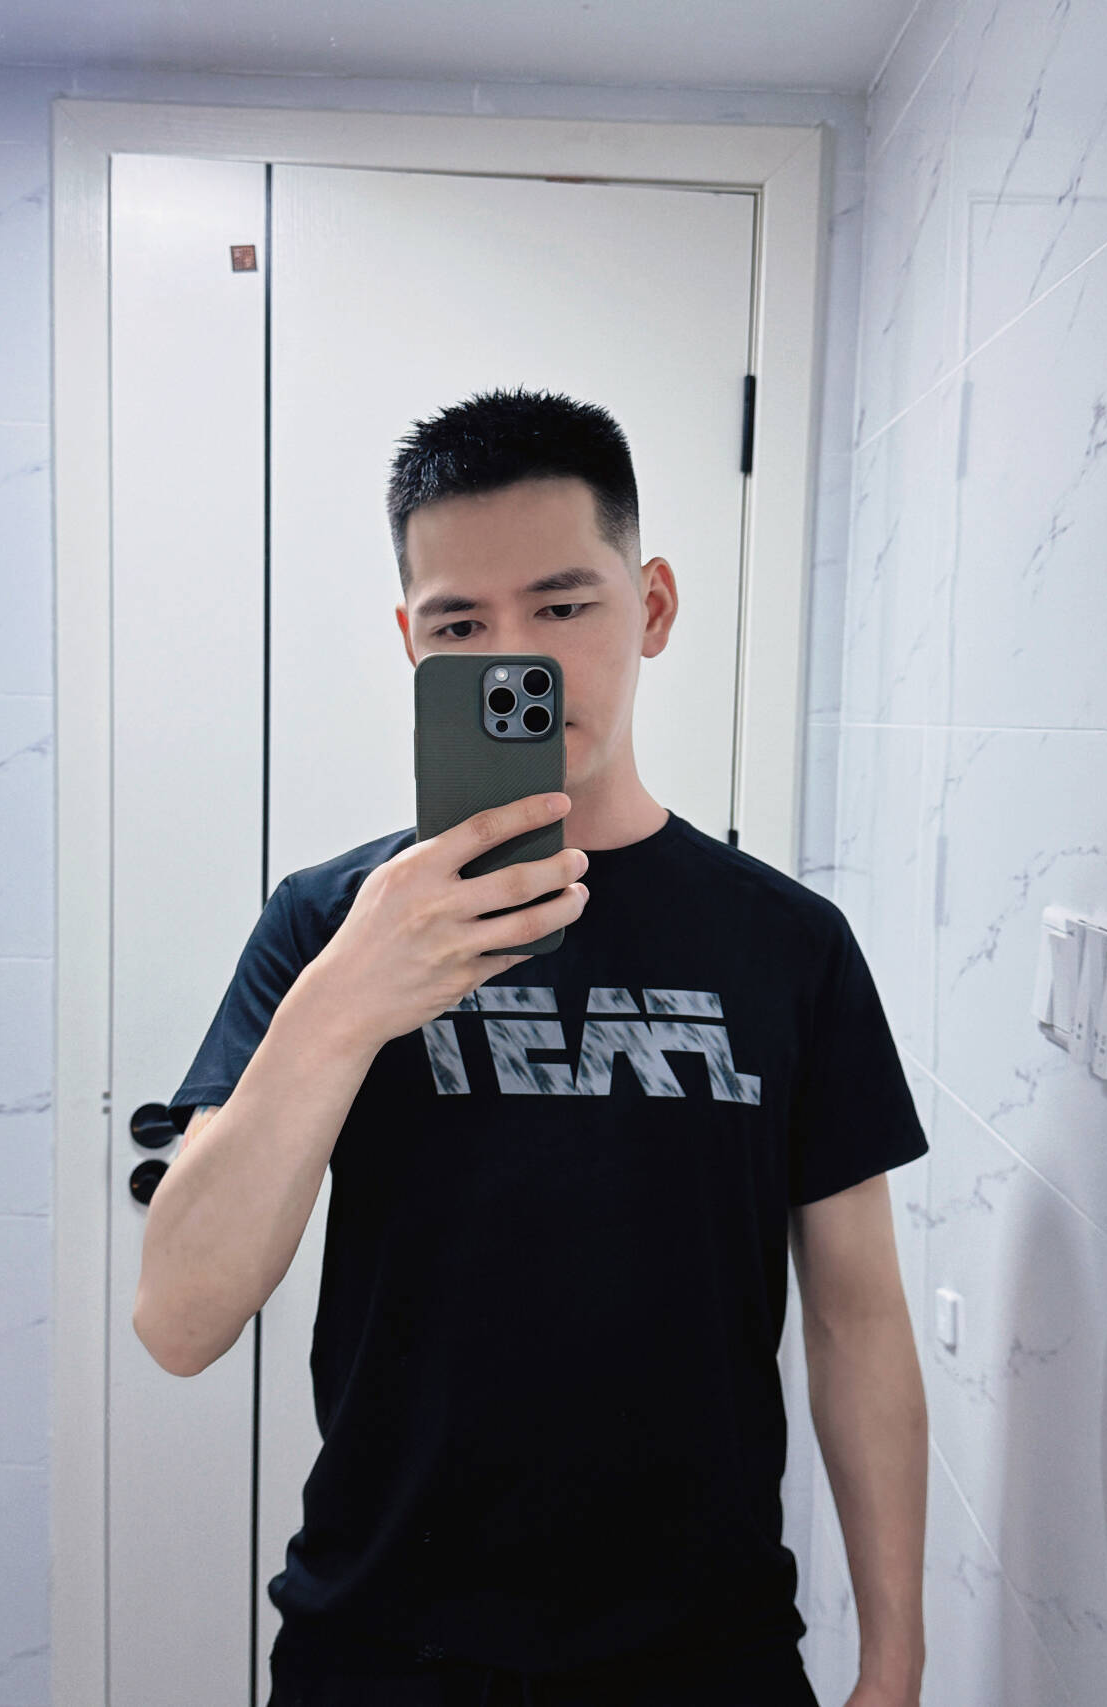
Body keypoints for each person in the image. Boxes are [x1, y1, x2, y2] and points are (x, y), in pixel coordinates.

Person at [134, 386, 930, 1707]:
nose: (519, 662)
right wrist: (346, 1002)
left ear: (652, 608)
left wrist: (895, 1660)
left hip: (708, 1658)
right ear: (412, 643)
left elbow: (857, 1315)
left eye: (563, 607)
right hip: (380, 1648)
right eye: (462, 625)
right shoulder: (328, 926)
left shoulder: (791, 944)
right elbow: (178, 1319)